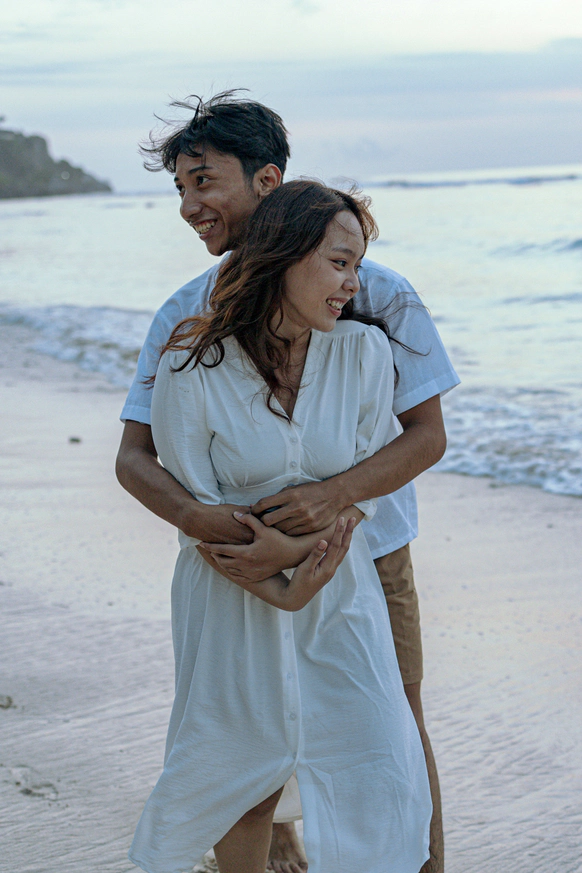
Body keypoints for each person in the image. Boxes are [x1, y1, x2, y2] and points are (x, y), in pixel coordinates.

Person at [117, 91, 459, 873]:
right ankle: (269, 843)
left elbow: (427, 434)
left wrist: (331, 501)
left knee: (390, 727)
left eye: (205, 181)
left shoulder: (372, 296)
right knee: (248, 734)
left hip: (369, 549)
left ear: (267, 182)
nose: (189, 206)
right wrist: (218, 529)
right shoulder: (186, 322)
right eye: (181, 187)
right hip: (237, 560)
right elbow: (137, 457)